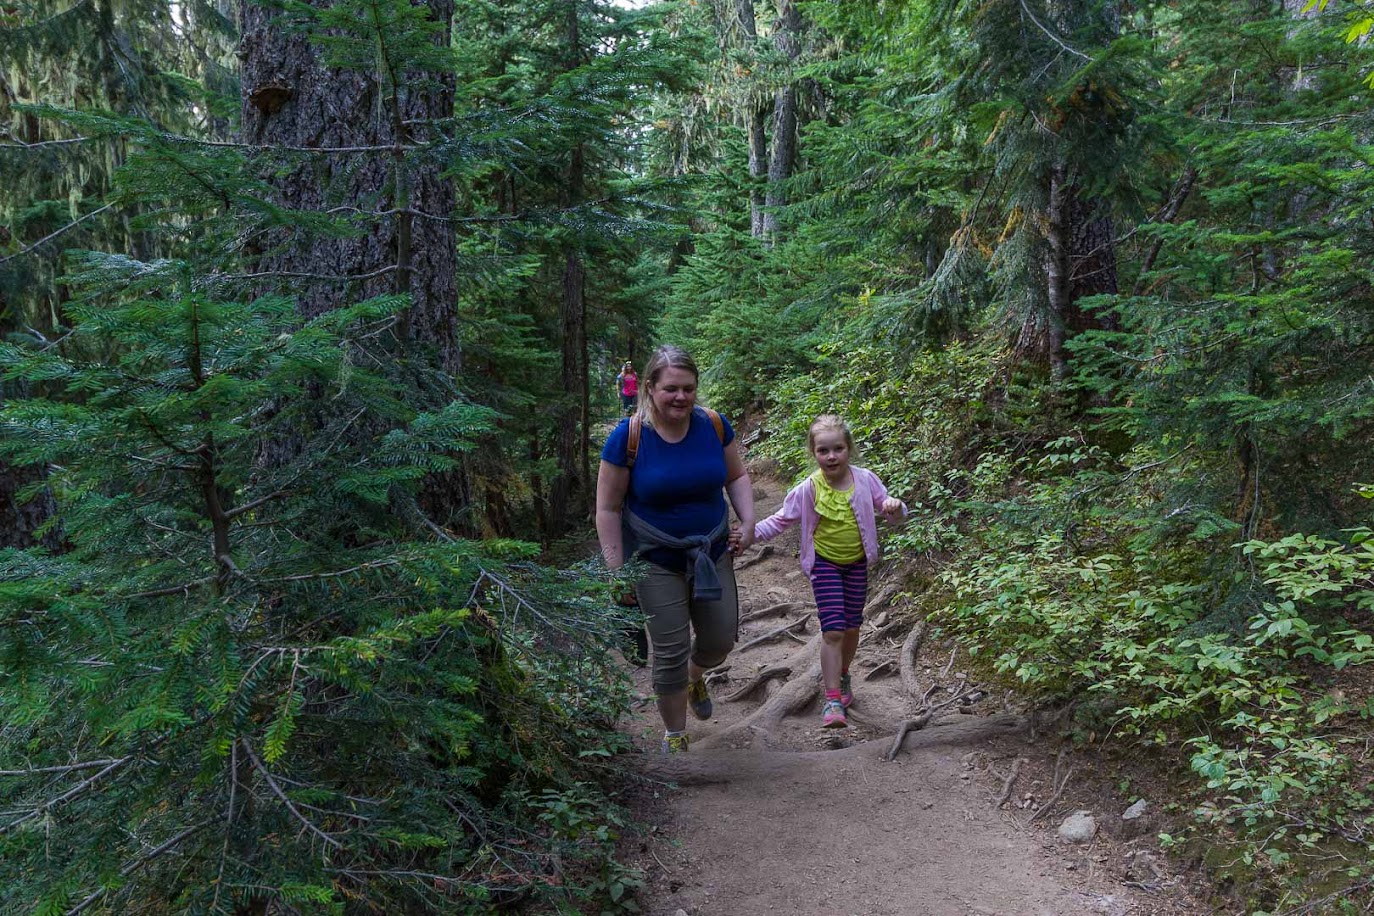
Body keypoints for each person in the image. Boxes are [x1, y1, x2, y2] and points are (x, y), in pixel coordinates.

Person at [596, 346, 755, 753]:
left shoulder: (714, 425)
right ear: (650, 388)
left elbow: (736, 476)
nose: (680, 397)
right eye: (671, 389)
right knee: (668, 650)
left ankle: (693, 675)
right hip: (652, 559)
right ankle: (676, 736)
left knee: (719, 640)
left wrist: (748, 521)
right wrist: (617, 571)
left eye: (688, 388)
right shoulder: (628, 437)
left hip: (712, 551)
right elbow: (607, 508)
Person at [748, 414, 906, 729]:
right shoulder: (809, 489)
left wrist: (895, 506)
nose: (831, 456)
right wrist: (748, 534)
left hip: (858, 565)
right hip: (825, 565)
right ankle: (832, 698)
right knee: (833, 630)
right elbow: (780, 520)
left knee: (851, 629)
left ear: (849, 449)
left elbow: (893, 514)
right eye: (823, 451)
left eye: (838, 449)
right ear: (814, 453)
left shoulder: (865, 480)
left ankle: (844, 675)